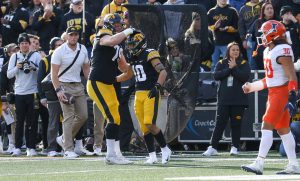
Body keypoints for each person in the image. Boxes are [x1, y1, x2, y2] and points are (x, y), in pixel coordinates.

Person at [241, 20, 300, 175]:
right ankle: (293, 164)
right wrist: (252, 87)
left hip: (281, 93)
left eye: (264, 33)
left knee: (266, 125)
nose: (262, 36)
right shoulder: (269, 50)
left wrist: (293, 95)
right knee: (283, 130)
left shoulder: (282, 49)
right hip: (274, 91)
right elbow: (270, 79)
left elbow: (291, 74)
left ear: (273, 34)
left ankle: (259, 162)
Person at [116, 30, 172, 164]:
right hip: (138, 93)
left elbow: (163, 72)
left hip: (150, 92)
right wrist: (112, 80)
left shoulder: (149, 53)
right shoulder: (133, 57)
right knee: (143, 127)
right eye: (128, 45)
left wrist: (157, 86)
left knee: (149, 123)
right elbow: (128, 74)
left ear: (140, 43)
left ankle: (165, 149)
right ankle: (152, 155)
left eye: (132, 44)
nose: (130, 47)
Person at [86, 13, 134, 165]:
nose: (119, 27)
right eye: (117, 25)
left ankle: (116, 153)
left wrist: (135, 61)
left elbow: (125, 70)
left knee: (116, 117)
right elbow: (111, 40)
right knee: (113, 117)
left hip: (108, 84)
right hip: (97, 82)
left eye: (121, 26)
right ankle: (110, 155)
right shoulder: (103, 34)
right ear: (109, 25)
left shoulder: (118, 47)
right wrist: (128, 31)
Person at [202, 42, 250, 156]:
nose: (235, 52)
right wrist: (229, 69)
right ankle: (212, 147)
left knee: (236, 124)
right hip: (224, 99)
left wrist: (234, 68)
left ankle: (235, 147)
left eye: (237, 50)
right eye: (233, 50)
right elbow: (216, 75)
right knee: (219, 124)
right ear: (228, 51)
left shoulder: (244, 63)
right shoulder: (221, 62)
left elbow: (244, 77)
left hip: (239, 100)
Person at [51, 26, 90, 159]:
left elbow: (86, 68)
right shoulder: (59, 51)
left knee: (83, 116)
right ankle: (68, 149)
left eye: (75, 34)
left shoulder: (82, 48)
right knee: (68, 116)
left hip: (78, 85)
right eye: (71, 34)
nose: (73, 37)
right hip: (64, 85)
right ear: (66, 36)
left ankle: (63, 138)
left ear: (78, 36)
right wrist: (58, 90)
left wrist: (90, 83)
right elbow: (54, 74)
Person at [7, 33, 41, 157]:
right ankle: (17, 146)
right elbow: (9, 75)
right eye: (22, 43)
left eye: (26, 43)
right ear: (19, 45)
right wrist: (17, 67)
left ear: (29, 44)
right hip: (19, 92)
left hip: (33, 92)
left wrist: (33, 67)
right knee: (19, 120)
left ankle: (30, 147)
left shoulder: (36, 55)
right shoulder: (15, 57)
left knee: (32, 121)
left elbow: (41, 73)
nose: (24, 45)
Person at [37, 37, 64, 157]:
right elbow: (40, 80)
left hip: (66, 91)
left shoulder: (66, 58)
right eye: (58, 45)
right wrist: (42, 96)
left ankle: (67, 146)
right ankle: (51, 147)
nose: (61, 47)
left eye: (62, 45)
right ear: (52, 47)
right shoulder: (45, 60)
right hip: (51, 94)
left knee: (68, 121)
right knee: (53, 122)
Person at [208, 0, 239, 71]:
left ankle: (228, 81)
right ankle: (214, 81)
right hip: (214, 43)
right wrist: (215, 27)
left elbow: (237, 28)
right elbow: (207, 27)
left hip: (228, 44)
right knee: (214, 65)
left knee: (228, 63)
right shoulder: (211, 11)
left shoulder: (232, 11)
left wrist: (227, 28)